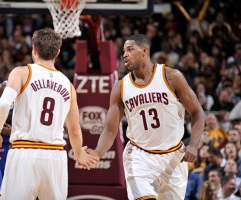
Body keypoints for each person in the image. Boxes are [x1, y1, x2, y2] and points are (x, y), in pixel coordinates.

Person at [86, 34, 206, 199]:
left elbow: (197, 112)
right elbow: (110, 129)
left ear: (144, 51)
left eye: (130, 49)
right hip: (139, 155)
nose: (125, 54)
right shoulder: (120, 87)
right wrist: (98, 152)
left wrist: (193, 144)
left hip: (173, 157)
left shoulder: (171, 77)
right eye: (123, 51)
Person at [0, 27, 98, 200]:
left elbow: (3, 105)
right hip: (56, 157)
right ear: (57, 52)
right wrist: (79, 154)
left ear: (34, 49)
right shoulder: (68, 85)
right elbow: (75, 130)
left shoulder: (22, 72)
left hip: (24, 152)